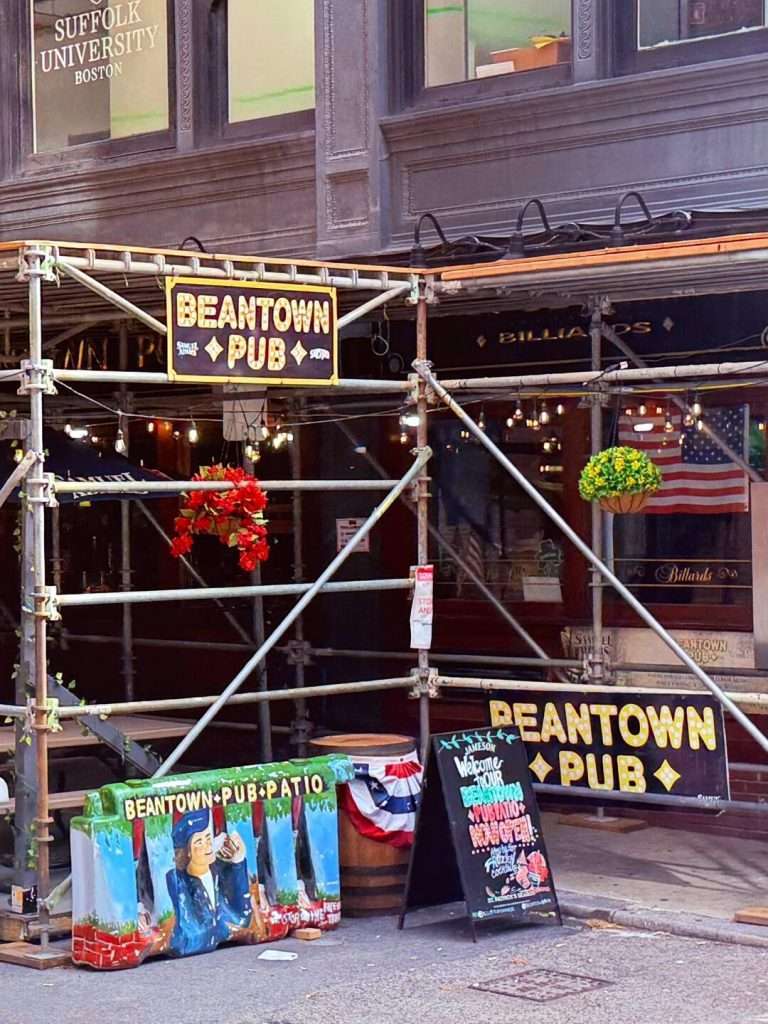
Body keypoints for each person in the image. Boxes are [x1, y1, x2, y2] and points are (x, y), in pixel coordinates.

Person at [166, 809, 252, 957]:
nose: (207, 846)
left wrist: (238, 862)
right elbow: (184, 938)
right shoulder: (178, 883)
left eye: (208, 838)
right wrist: (220, 930)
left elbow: (242, 918)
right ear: (187, 852)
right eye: (199, 842)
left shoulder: (218, 872)